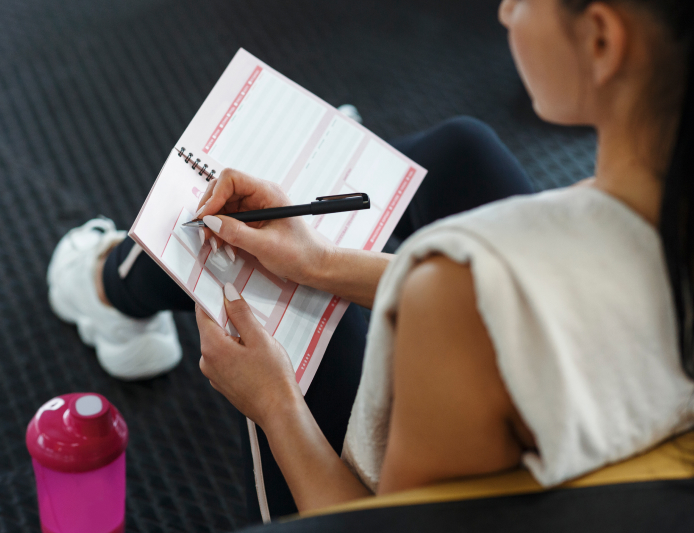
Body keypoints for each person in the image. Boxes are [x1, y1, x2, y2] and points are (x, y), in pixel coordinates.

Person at [48, 0, 694, 521]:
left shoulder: (460, 285)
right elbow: (542, 295)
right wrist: (321, 260)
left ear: (603, 40)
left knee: (269, 301)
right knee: (462, 151)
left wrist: (274, 403)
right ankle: (119, 285)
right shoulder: (636, 218)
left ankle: (109, 283)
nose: (503, 12)